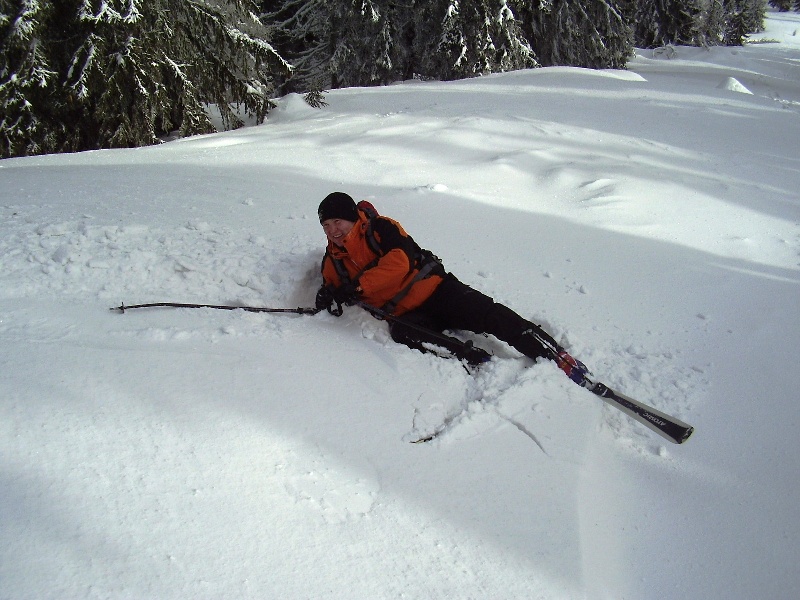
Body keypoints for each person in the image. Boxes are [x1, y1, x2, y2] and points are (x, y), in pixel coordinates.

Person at [314, 192, 588, 382]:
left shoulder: (381, 228)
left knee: (488, 313)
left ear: (352, 217)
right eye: (326, 225)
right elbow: (331, 291)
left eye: (337, 221)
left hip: (436, 290)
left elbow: (399, 261)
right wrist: (328, 295)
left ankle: (553, 354)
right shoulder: (333, 262)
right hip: (405, 313)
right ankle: (472, 357)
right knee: (403, 332)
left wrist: (358, 286)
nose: (333, 230)